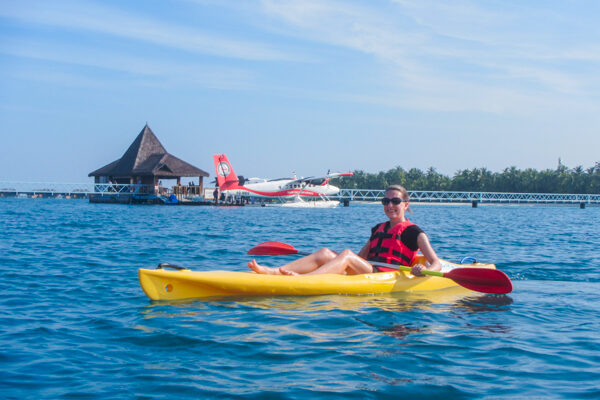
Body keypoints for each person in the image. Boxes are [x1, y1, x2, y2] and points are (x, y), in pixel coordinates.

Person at [248, 185, 442, 276]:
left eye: (395, 201)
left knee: (346, 255)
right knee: (325, 252)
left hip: (385, 275)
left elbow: (436, 264)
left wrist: (424, 271)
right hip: (370, 270)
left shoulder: (415, 233)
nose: (390, 205)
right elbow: (360, 257)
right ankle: (274, 271)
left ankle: (304, 279)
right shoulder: (378, 229)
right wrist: (337, 265)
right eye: (386, 201)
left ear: (406, 205)